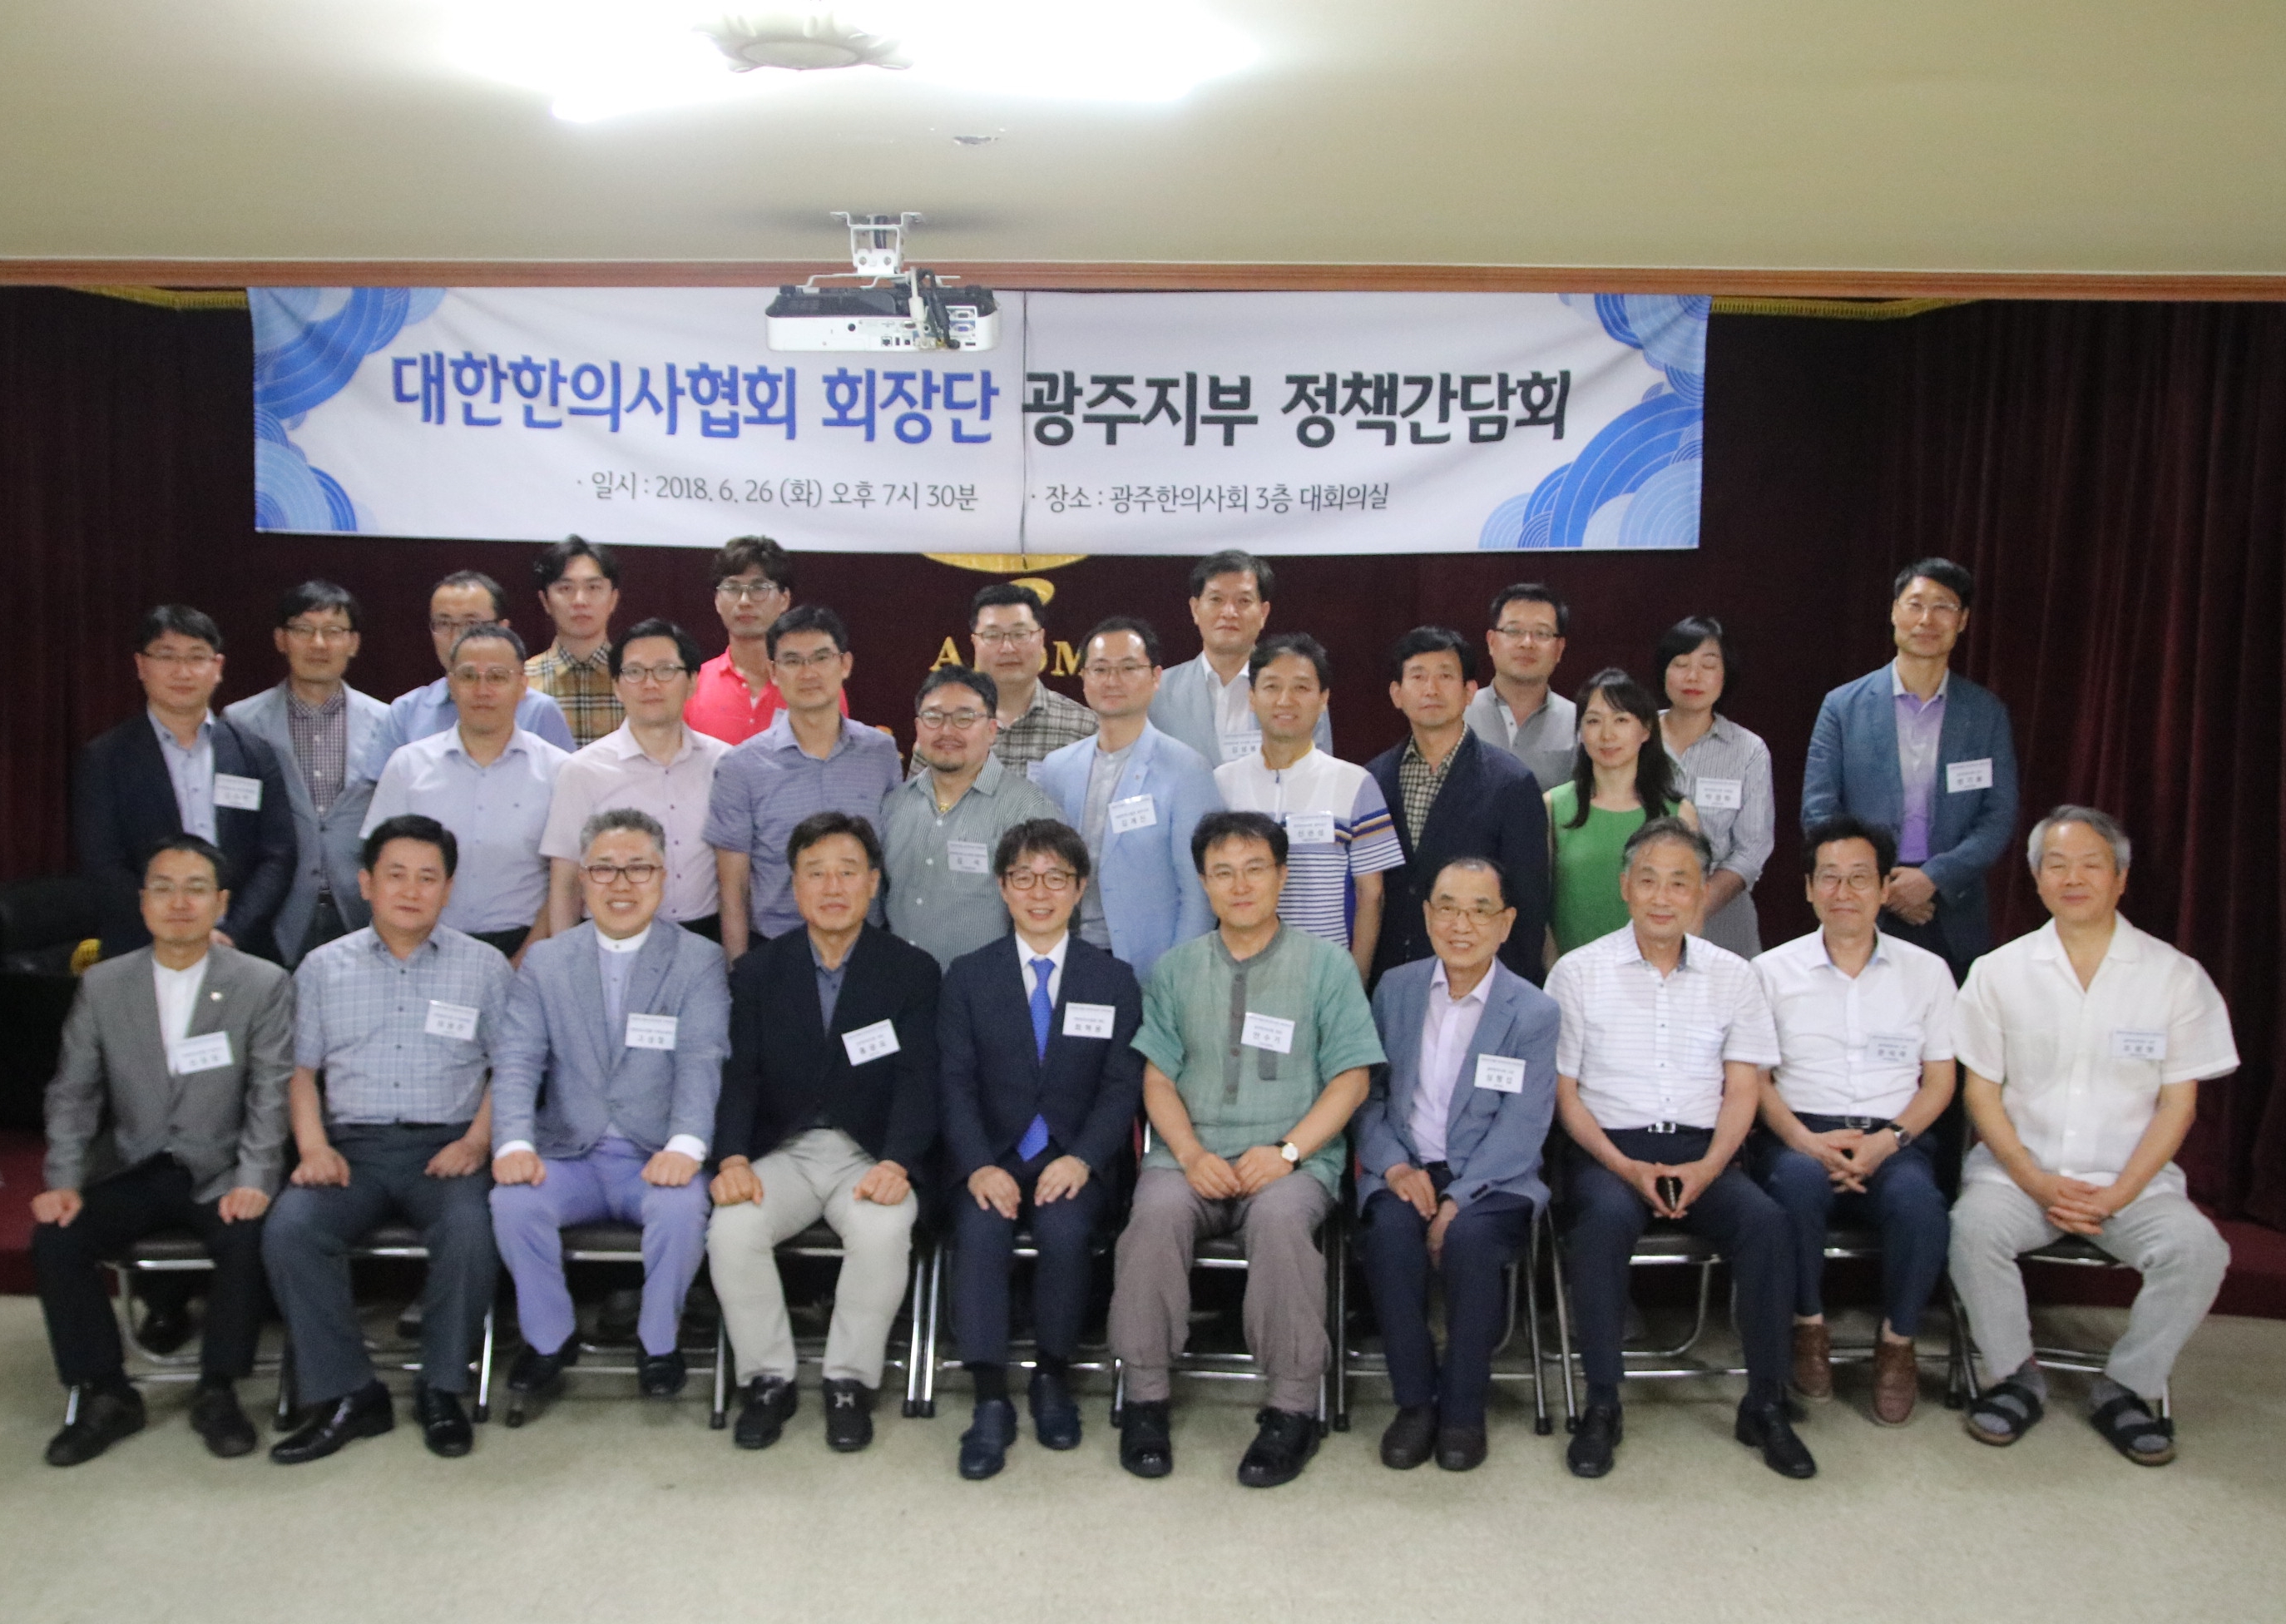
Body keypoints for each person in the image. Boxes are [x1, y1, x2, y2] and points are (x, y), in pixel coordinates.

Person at [1947, 807, 2237, 1467]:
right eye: (2057, 865)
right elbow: (1981, 1094)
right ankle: (2014, 1375)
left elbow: (2179, 1105)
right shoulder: (1998, 972)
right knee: (1971, 1230)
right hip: (2019, 1175)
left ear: (2120, 878)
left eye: (2090, 865)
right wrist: (2032, 1179)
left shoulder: (2174, 977)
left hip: (2131, 1183)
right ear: (2037, 879)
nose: (2073, 878)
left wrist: (2118, 1194)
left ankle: (2127, 1386)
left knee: (2199, 1252)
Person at [1109, 811, 1383, 1489]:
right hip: (1190, 1154)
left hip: (1293, 1159)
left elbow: (1352, 1078)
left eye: (1255, 869)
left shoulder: (1327, 966)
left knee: (1282, 1222)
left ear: (1282, 877)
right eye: (1223, 872)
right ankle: (1145, 1397)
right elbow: (1157, 1078)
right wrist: (1189, 1154)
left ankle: (1291, 1408)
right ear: (1204, 883)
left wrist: (1287, 1152)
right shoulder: (1175, 970)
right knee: (1154, 1217)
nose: (1240, 885)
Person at [1548, 818, 1810, 1480]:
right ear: (1625, 887)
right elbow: (1565, 1096)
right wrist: (1624, 1165)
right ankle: (1602, 1404)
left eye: (1679, 883)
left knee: (1767, 1223)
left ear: (1700, 893)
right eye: (1649, 881)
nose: (1663, 897)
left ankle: (1765, 1403)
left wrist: (1709, 1166)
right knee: (1601, 1221)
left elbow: (1743, 1090)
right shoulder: (1577, 973)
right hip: (1608, 1150)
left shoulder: (1734, 976)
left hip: (1704, 1149)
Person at [32, 835, 293, 1467]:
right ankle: (105, 1391)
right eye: (164, 888)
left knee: (248, 1233)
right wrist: (63, 1180)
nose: (180, 903)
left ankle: (218, 1389)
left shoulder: (261, 983)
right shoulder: (104, 984)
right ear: (143, 901)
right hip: (133, 1164)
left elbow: (271, 1091)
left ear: (221, 903)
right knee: (58, 1238)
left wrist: (255, 1178)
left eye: (195, 889)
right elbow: (73, 1093)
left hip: (221, 1167)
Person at [261, 814, 512, 1463]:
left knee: (471, 1232)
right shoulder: (322, 967)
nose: (411, 890)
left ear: (448, 889)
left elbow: (511, 1070)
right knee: (291, 1231)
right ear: (367, 883)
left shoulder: (484, 967)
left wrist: (478, 1141)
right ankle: (350, 1393)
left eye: (428, 877)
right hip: (351, 1150)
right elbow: (299, 1072)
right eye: (396, 875)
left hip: (449, 1146)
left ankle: (441, 1388)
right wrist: (313, 1148)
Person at [708, 813, 939, 1454]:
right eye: (816, 873)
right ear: (794, 885)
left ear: (874, 882)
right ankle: (768, 1379)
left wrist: (898, 1162)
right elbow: (740, 1076)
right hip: (784, 1150)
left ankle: (848, 1382)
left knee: (883, 1230)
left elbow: (921, 1079)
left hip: (871, 1153)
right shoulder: (759, 972)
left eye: (847, 872)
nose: (832, 886)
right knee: (732, 1228)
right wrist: (731, 1158)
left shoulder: (911, 971)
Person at [487, 810, 730, 1402]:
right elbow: (517, 1060)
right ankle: (550, 1339)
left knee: (683, 1208)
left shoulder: (698, 960)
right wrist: (513, 1142)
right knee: (512, 1201)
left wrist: (686, 1146)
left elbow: (702, 1059)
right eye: (604, 869)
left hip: (655, 1155)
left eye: (638, 868)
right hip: (570, 1153)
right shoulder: (546, 962)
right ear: (582, 879)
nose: (621, 884)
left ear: (663, 876)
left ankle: (659, 1342)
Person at [938, 819, 1144, 1479]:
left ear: (1080, 889)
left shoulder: (1112, 979)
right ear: (1002, 888)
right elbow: (954, 1082)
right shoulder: (969, 976)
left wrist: (1083, 1158)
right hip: (991, 1156)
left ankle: (1052, 1376)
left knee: (1065, 1231)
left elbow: (1122, 1086)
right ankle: (989, 1397)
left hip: (1073, 1156)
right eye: (1023, 877)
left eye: (1057, 878)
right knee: (980, 1231)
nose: (1039, 892)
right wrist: (978, 1165)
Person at [1354, 857, 1558, 1472]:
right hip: (1405, 1167)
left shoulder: (1532, 1011)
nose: (1461, 925)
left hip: (1492, 1178)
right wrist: (1394, 1167)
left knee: (1469, 1241)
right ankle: (1415, 1403)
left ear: (1506, 923)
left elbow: (1523, 1126)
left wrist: (1457, 1199)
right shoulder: (1395, 989)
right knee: (1390, 1234)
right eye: (1447, 908)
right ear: (1426, 915)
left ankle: (1464, 1411)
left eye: (1479, 910)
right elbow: (1368, 1095)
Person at [1752, 815, 1957, 1425]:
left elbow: (1940, 1082)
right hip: (1799, 1132)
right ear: (1808, 888)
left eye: (1860, 878)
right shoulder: (1770, 972)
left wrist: (1887, 1142)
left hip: (1896, 1136)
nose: (1844, 892)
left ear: (1886, 886)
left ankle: (1897, 1341)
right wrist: (1803, 1140)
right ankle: (1807, 1326)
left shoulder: (1928, 972)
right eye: (1830, 878)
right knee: (1794, 1187)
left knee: (1921, 1204)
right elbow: (1754, 1081)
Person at [1801, 558, 2019, 982]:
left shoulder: (1986, 713)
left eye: (1943, 607)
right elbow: (1819, 810)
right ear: (1894, 612)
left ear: (1963, 620)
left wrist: (1933, 878)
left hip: (1951, 909)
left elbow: (1999, 815)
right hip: (1862, 904)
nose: (1926, 619)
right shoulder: (1842, 707)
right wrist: (1880, 884)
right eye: (1915, 604)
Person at [76, 605, 295, 962]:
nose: (182, 671)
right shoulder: (105, 758)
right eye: (166, 656)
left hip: (239, 949)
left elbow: (278, 855)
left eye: (196, 657)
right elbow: (104, 864)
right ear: (141, 666)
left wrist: (231, 933)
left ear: (217, 667)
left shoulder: (253, 754)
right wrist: (172, 930)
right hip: (142, 949)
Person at [704, 605, 901, 964]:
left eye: (821, 658)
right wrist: (739, 971)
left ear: (845, 664)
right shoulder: (740, 767)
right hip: (775, 950)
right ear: (774, 672)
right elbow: (733, 888)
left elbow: (890, 862)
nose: (808, 673)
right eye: (793, 661)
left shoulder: (881, 753)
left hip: (866, 949)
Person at [1029, 616, 1220, 985]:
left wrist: (1178, 976)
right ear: (1084, 678)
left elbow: (1199, 892)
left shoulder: (1188, 770)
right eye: (1100, 669)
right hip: (1066, 954)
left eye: (1128, 668)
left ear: (1156, 677)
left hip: (1150, 966)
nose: (1112, 680)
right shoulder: (1057, 768)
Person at [364, 626, 568, 962]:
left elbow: (565, 880)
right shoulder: (408, 765)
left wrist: (526, 959)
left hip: (524, 947)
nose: (482, 690)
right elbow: (380, 867)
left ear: (522, 686)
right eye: (469, 676)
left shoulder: (559, 770)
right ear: (451, 684)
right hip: (422, 946)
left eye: (497, 677)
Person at [1368, 626, 1552, 985]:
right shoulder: (1372, 779)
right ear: (1396, 694)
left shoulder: (1511, 783)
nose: (1431, 689)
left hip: (1477, 980)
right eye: (1417, 676)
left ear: (1469, 692)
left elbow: (1528, 907)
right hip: (1391, 982)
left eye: (1445, 676)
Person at [1214, 634, 1404, 979]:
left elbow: (1371, 895)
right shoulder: (1221, 784)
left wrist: (1354, 982)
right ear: (1252, 698)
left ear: (1323, 699)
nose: (1285, 700)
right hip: (1240, 974)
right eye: (1272, 687)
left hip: (1324, 976)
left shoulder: (1356, 783)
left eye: (1301, 687)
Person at [224, 581, 391, 966]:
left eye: (333, 631)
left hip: (361, 908)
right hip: (274, 912)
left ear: (353, 643)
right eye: (303, 629)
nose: (319, 644)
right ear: (281, 639)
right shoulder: (241, 722)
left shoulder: (388, 722)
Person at [541, 618, 729, 942]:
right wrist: (564, 957)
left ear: (692, 682)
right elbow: (566, 879)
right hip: (609, 936)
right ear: (616, 686)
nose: (650, 684)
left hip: (705, 934)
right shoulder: (583, 770)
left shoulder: (723, 763)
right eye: (634, 672)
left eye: (665, 670)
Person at [879, 666, 1062, 969]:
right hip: (899, 984)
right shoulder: (893, 806)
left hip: (986, 989)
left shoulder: (1029, 810)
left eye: (964, 718)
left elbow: (1048, 915)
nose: (947, 731)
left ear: (991, 730)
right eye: (934, 717)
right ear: (918, 727)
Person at [1546, 668, 1699, 961]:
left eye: (1621, 720)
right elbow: (1539, 903)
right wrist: (1554, 970)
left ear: (1646, 730)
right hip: (1573, 972)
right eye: (1593, 721)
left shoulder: (1678, 813)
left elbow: (1691, 908)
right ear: (1580, 732)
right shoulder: (1554, 806)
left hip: (1656, 972)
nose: (1607, 735)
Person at [362, 570, 573, 776]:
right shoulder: (407, 712)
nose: (456, 636)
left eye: (472, 624)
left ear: (502, 629)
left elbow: (566, 787)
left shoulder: (539, 711)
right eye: (443, 623)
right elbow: (378, 790)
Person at [1656, 616, 1775, 959]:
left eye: (1708, 666)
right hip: (1643, 910)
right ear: (1664, 671)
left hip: (1723, 917)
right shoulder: (1635, 737)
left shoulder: (1748, 750)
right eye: (1681, 664)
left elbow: (1752, 849)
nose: (1693, 677)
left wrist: (1697, 904)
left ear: (1725, 675)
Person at [1148, 550, 1331, 767]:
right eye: (1216, 599)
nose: (1229, 612)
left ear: (1263, 613)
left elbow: (1319, 772)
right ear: (1195, 609)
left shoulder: (1299, 689)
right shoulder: (1156, 692)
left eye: (1243, 601)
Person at [685, 536, 846, 746]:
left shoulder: (817, 684)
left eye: (759, 588)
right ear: (717, 600)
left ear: (784, 599)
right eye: (732, 588)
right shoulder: (692, 686)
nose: (744, 601)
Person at [966, 582, 1097, 771]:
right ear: (975, 643)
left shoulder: (1084, 728)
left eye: (1020, 634)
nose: (1007, 648)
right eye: (993, 635)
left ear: (1041, 639)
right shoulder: (946, 724)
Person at [1464, 583, 1576, 792]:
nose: (1527, 643)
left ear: (1559, 649)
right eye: (1514, 631)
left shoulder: (1579, 723)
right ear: (1491, 642)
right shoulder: (1458, 715)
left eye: (1542, 633)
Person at [523, 537, 624, 748]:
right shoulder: (522, 682)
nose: (580, 600)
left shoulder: (635, 678)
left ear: (613, 599)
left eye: (593, 587)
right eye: (565, 589)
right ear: (545, 601)